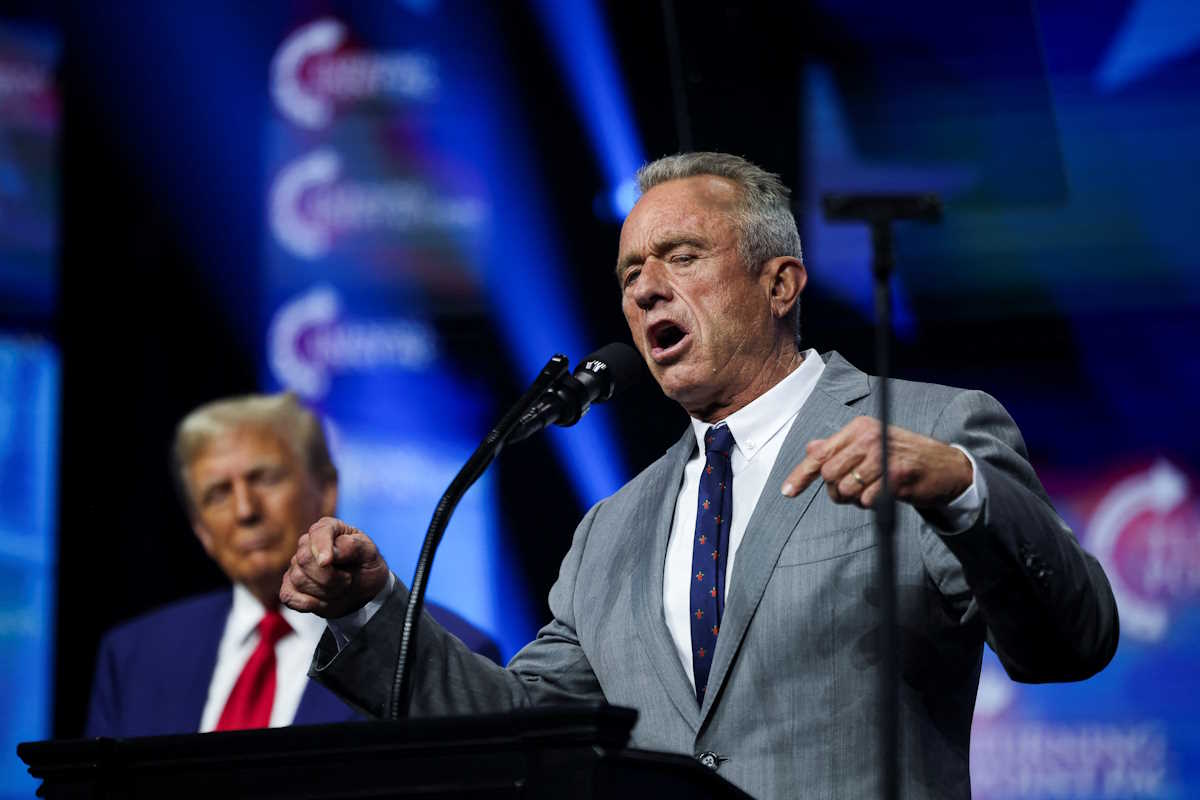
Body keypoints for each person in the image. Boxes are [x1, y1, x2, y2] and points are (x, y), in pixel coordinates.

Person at [280, 153, 1118, 798]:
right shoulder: (612, 527)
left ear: (779, 282)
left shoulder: (928, 431)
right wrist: (371, 614)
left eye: (680, 257)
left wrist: (963, 490)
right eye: (630, 275)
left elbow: (1069, 641)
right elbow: (523, 731)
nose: (647, 292)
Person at [85, 393, 500, 738]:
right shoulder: (134, 657)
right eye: (217, 494)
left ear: (326, 491)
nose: (245, 510)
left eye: (264, 478)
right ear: (201, 530)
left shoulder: (449, 660)